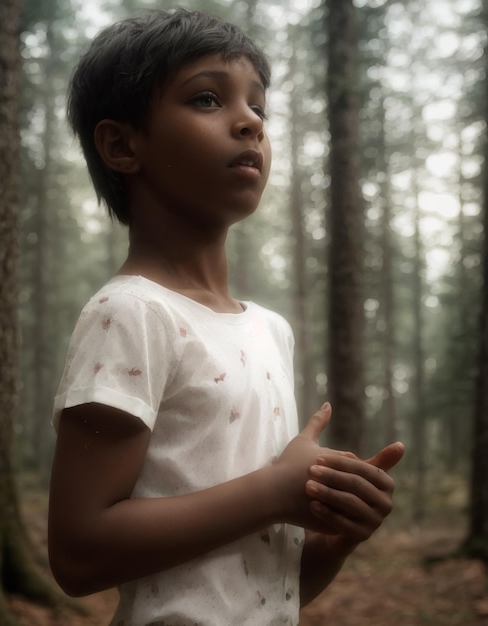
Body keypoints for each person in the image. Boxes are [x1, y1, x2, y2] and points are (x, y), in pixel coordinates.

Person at [48, 8, 405, 626]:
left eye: (259, 108)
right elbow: (78, 555)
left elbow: (265, 587)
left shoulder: (270, 330)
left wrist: (337, 531)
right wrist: (275, 493)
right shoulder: (130, 313)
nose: (249, 123)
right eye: (208, 99)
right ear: (122, 145)